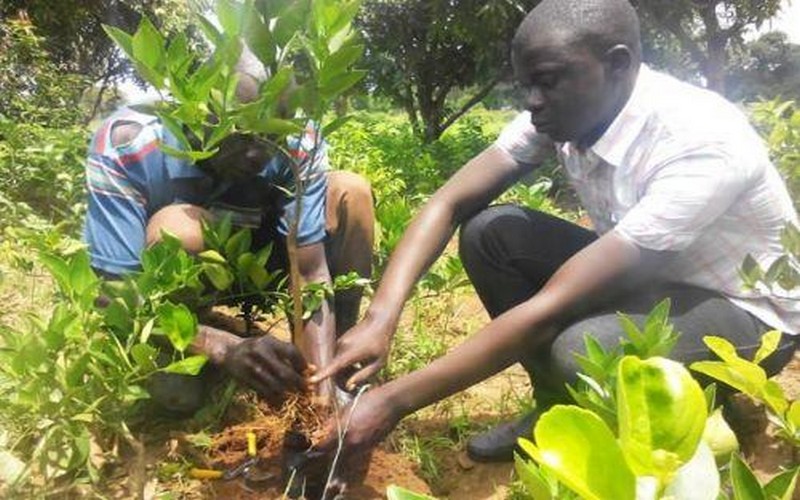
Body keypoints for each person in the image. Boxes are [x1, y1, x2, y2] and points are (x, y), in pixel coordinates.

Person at [311, 0, 800, 463]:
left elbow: (550, 310)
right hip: (651, 278)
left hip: (748, 313)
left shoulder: (700, 142)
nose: (532, 102)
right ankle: (556, 408)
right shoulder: (568, 111)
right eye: (525, 85)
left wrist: (394, 402)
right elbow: (451, 200)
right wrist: (379, 318)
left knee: (579, 351)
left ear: (617, 64)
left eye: (546, 83)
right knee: (492, 232)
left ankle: (645, 427)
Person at [83, 47, 375, 415]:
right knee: (177, 397)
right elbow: (115, 297)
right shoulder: (129, 145)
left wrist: (319, 382)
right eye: (240, 134)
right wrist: (220, 346)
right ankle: (196, 330)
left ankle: (340, 358)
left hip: (266, 260)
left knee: (351, 191)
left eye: (272, 136)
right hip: (187, 267)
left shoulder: (298, 143)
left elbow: (309, 270)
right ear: (198, 110)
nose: (258, 155)